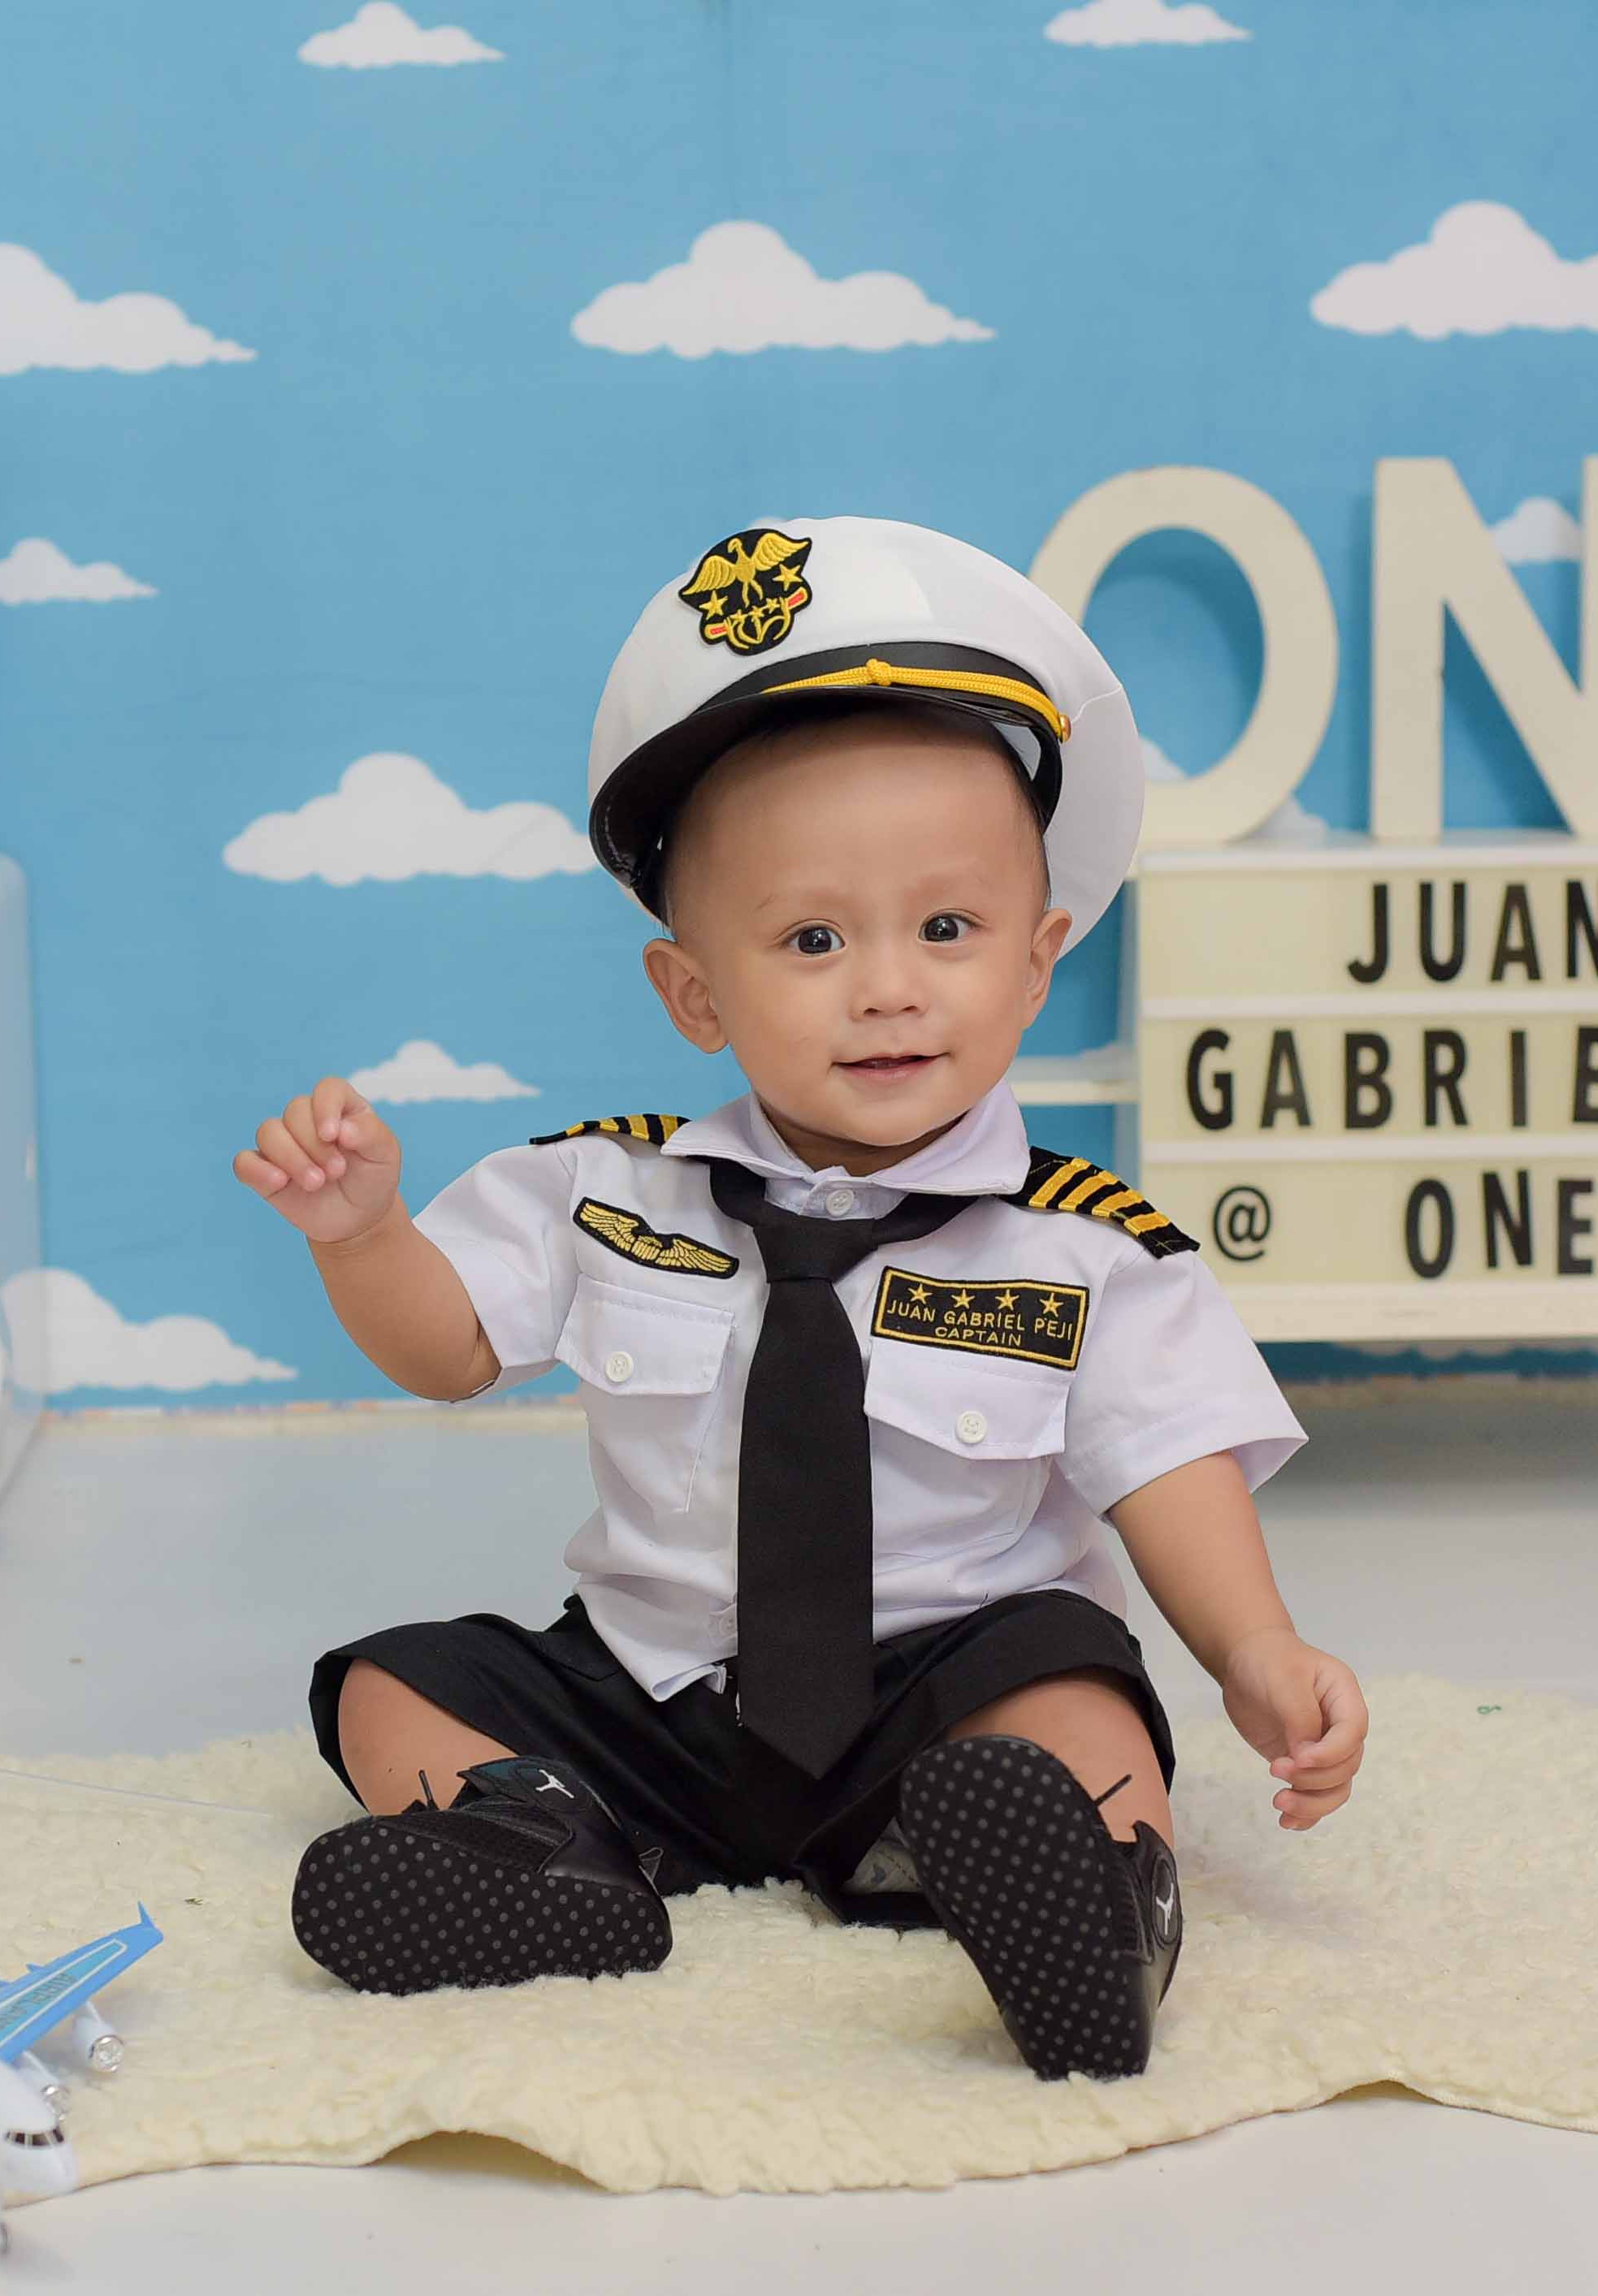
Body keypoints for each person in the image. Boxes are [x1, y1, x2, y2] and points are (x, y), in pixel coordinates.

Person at [237, 517, 1366, 2079]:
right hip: (653, 1698)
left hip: (935, 1699)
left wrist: (1255, 1648)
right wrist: (362, 1234)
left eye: (948, 929)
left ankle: (1094, 1903)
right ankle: (545, 1855)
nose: (887, 985)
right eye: (813, 938)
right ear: (694, 991)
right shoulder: (606, 1189)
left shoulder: (1087, 1249)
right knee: (396, 1679)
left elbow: (1168, 1465)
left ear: (1038, 961)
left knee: (1066, 1679)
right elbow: (447, 1351)